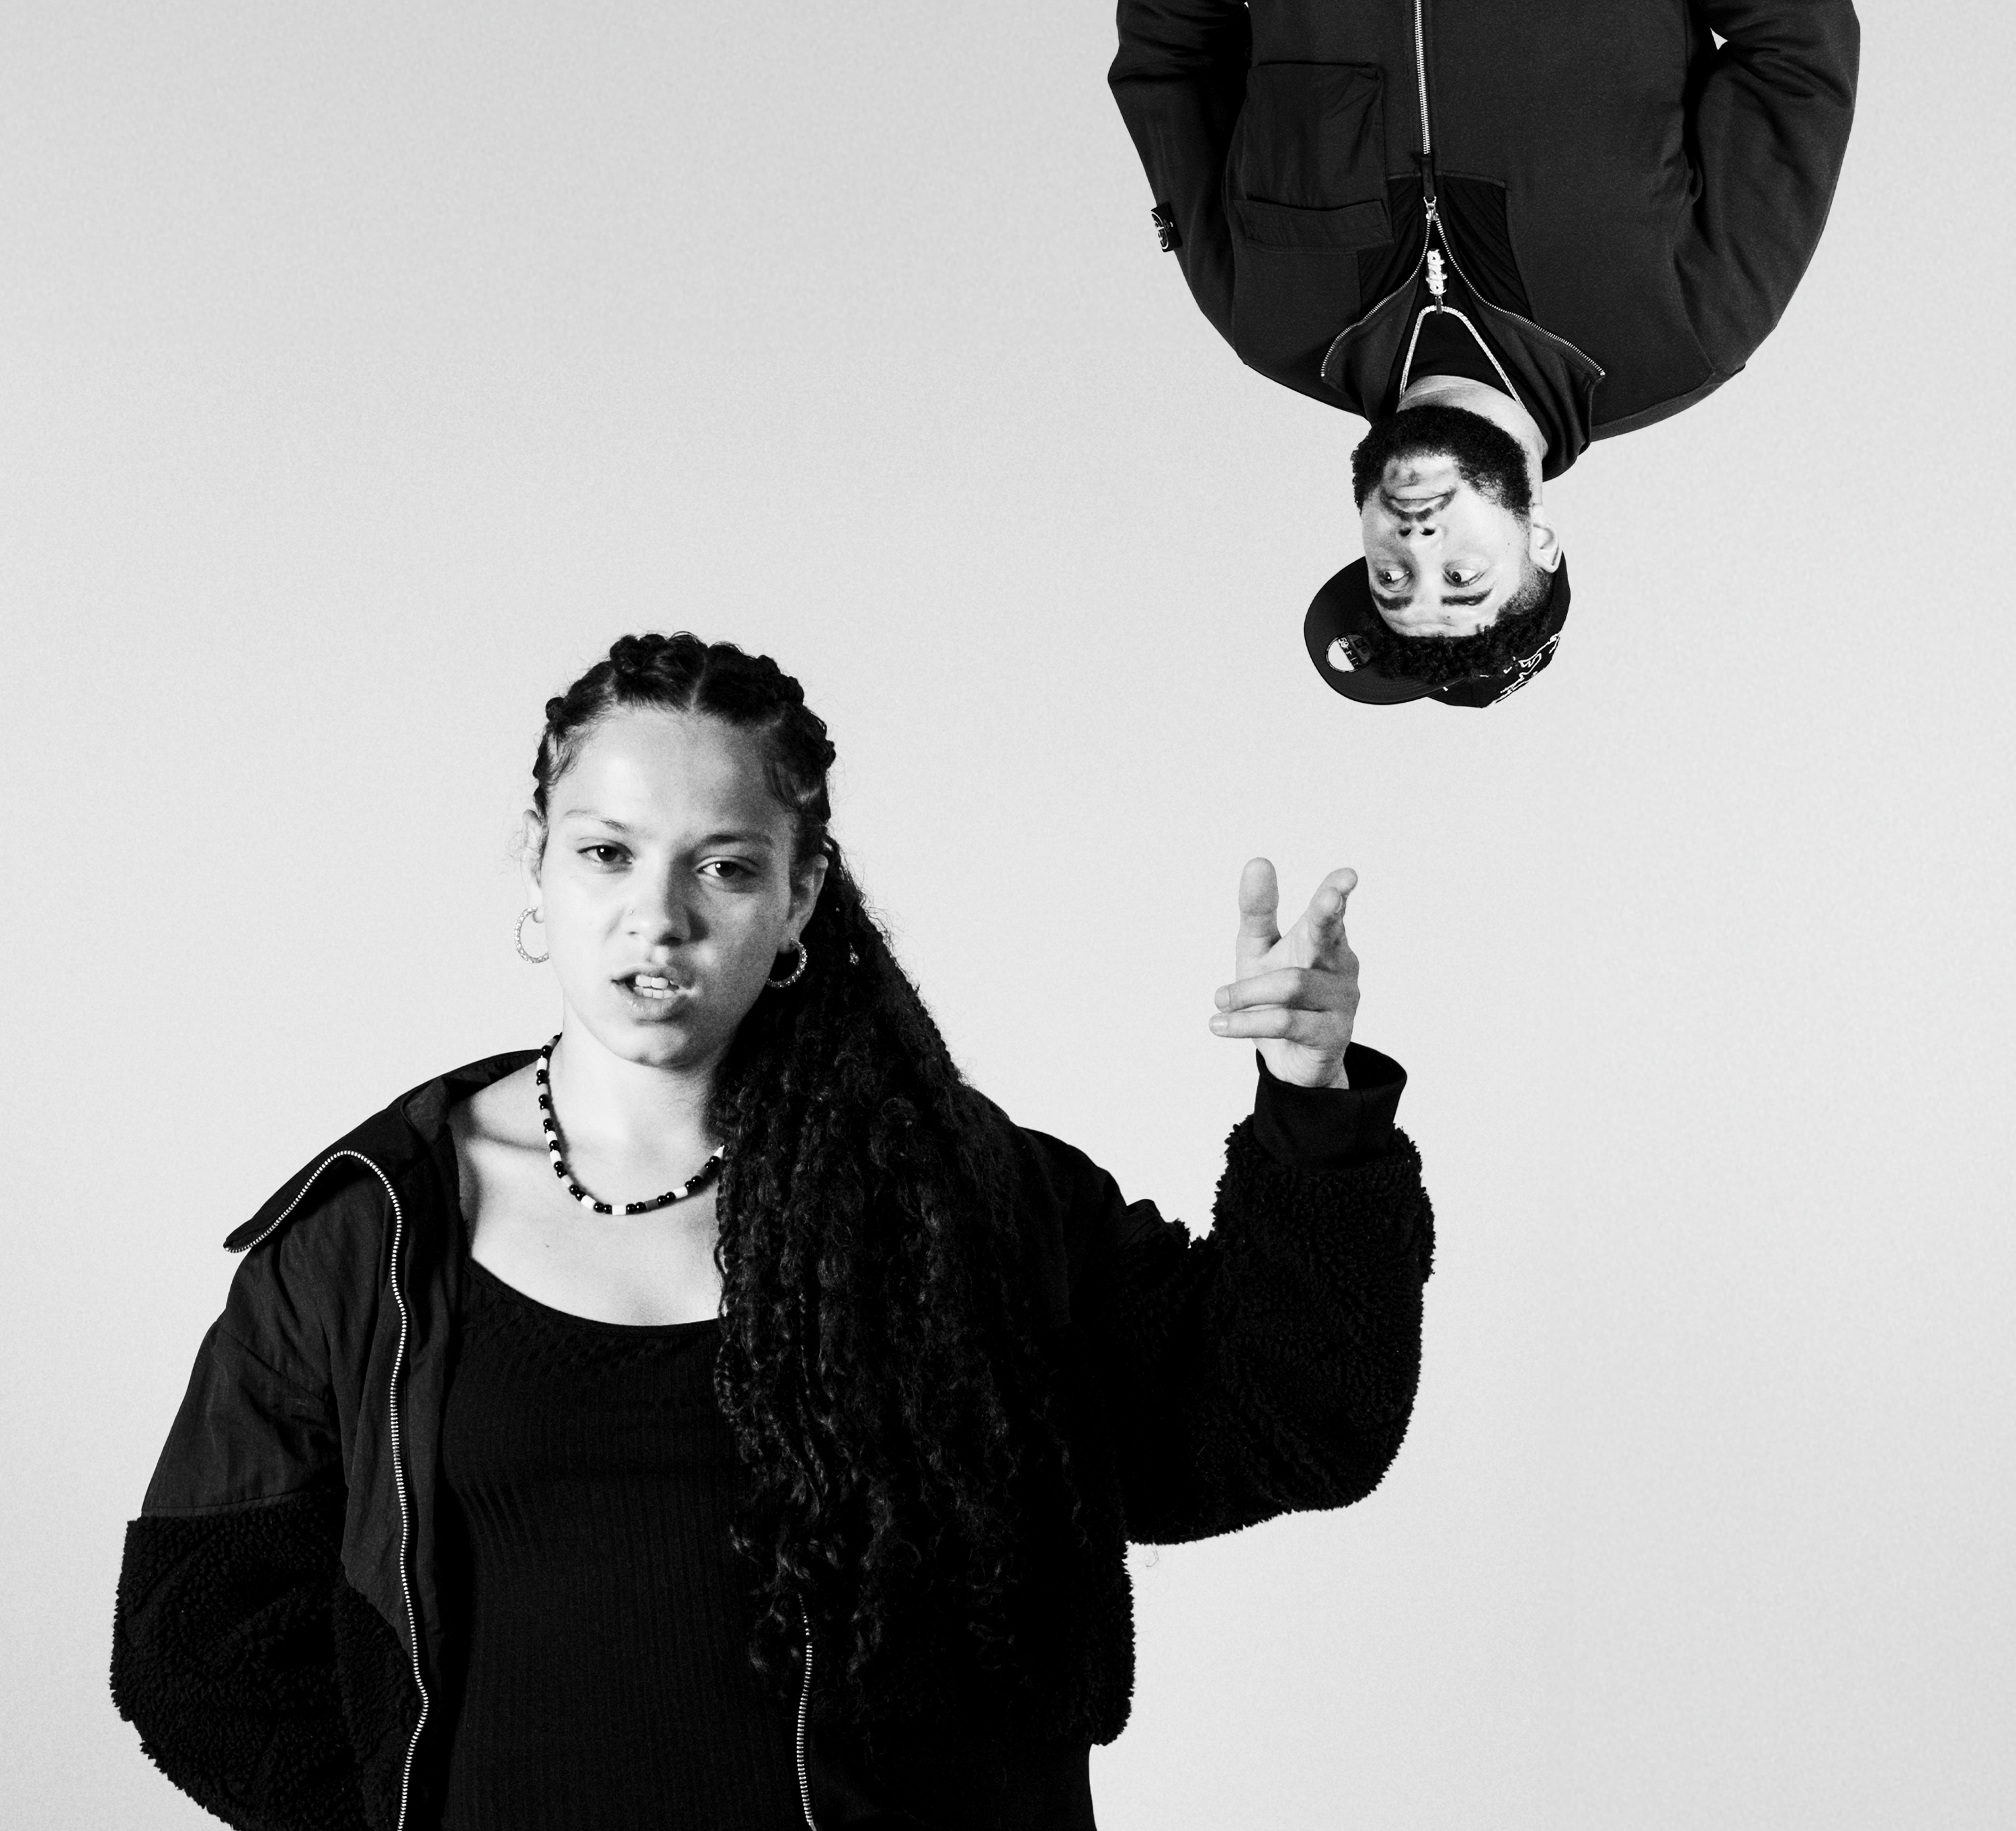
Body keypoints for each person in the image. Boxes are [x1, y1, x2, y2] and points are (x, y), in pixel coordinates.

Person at [111, 632, 1435, 1831]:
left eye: (727, 867)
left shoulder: (961, 1202)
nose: (660, 915)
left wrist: (1313, 1106)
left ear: (800, 899)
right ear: (537, 863)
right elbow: (193, 1638)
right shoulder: (374, 1237)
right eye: (607, 851)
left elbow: (1284, 1422)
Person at [1109, 0, 1858, 705]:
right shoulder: (1685, 328)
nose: (1418, 544)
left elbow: (1167, 57)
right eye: (1464, 578)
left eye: (1391, 580)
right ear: (1539, 542)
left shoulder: (1268, 316)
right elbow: (1797, 53)